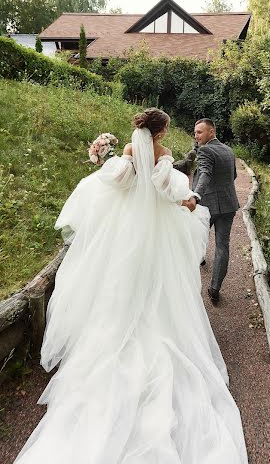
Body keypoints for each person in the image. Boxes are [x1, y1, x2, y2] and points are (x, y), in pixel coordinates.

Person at [14, 108, 248, 464]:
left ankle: (120, 326)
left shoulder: (127, 150)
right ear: (160, 131)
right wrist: (186, 202)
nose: (169, 134)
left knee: (119, 279)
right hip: (157, 229)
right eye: (167, 129)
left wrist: (105, 161)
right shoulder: (163, 154)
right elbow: (165, 186)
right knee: (160, 279)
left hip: (128, 228)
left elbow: (120, 182)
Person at [189, 119, 240, 304]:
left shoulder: (205, 150)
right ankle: (215, 289)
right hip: (229, 204)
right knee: (222, 246)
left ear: (211, 132)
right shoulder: (228, 150)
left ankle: (190, 280)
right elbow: (233, 175)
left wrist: (196, 195)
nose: (196, 136)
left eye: (200, 132)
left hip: (207, 205)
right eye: (195, 132)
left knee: (196, 237)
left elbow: (205, 174)